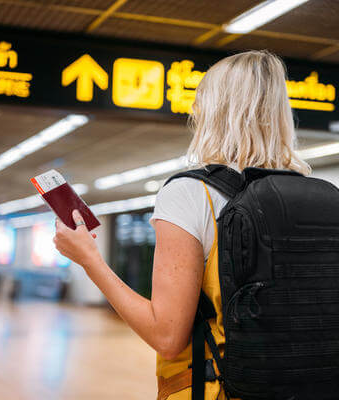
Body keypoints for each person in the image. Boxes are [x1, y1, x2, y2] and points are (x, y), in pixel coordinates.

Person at [53, 50, 310, 400]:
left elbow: (167, 337)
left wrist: (90, 261)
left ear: (213, 110)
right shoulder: (311, 194)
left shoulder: (191, 193)